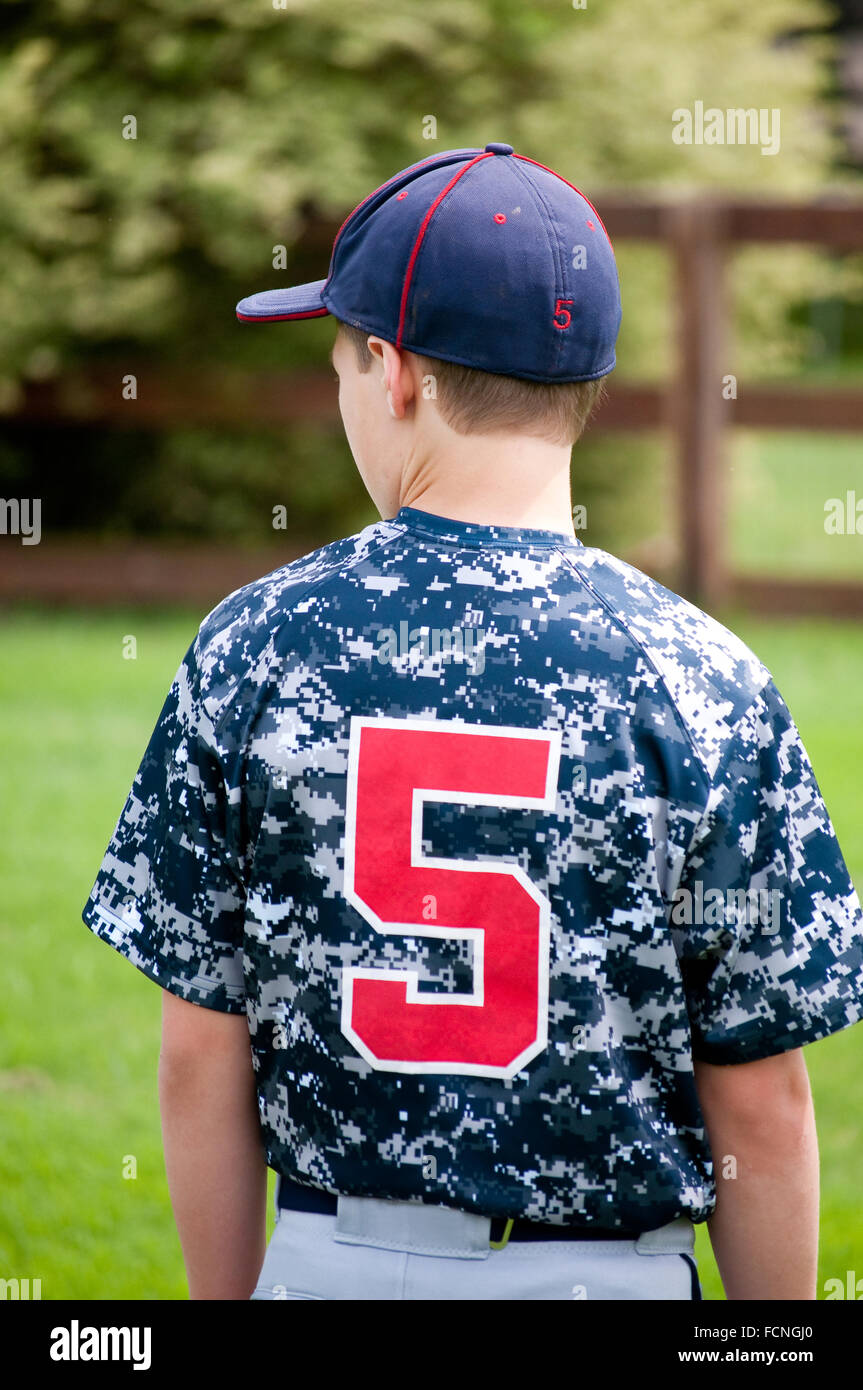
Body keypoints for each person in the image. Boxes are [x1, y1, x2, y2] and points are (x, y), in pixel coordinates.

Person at [82, 143, 863, 1301]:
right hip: (614, 1280)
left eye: (342, 359)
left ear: (393, 373)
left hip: (327, 1265)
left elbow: (203, 1051)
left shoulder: (253, 642)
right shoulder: (706, 676)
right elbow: (757, 1092)